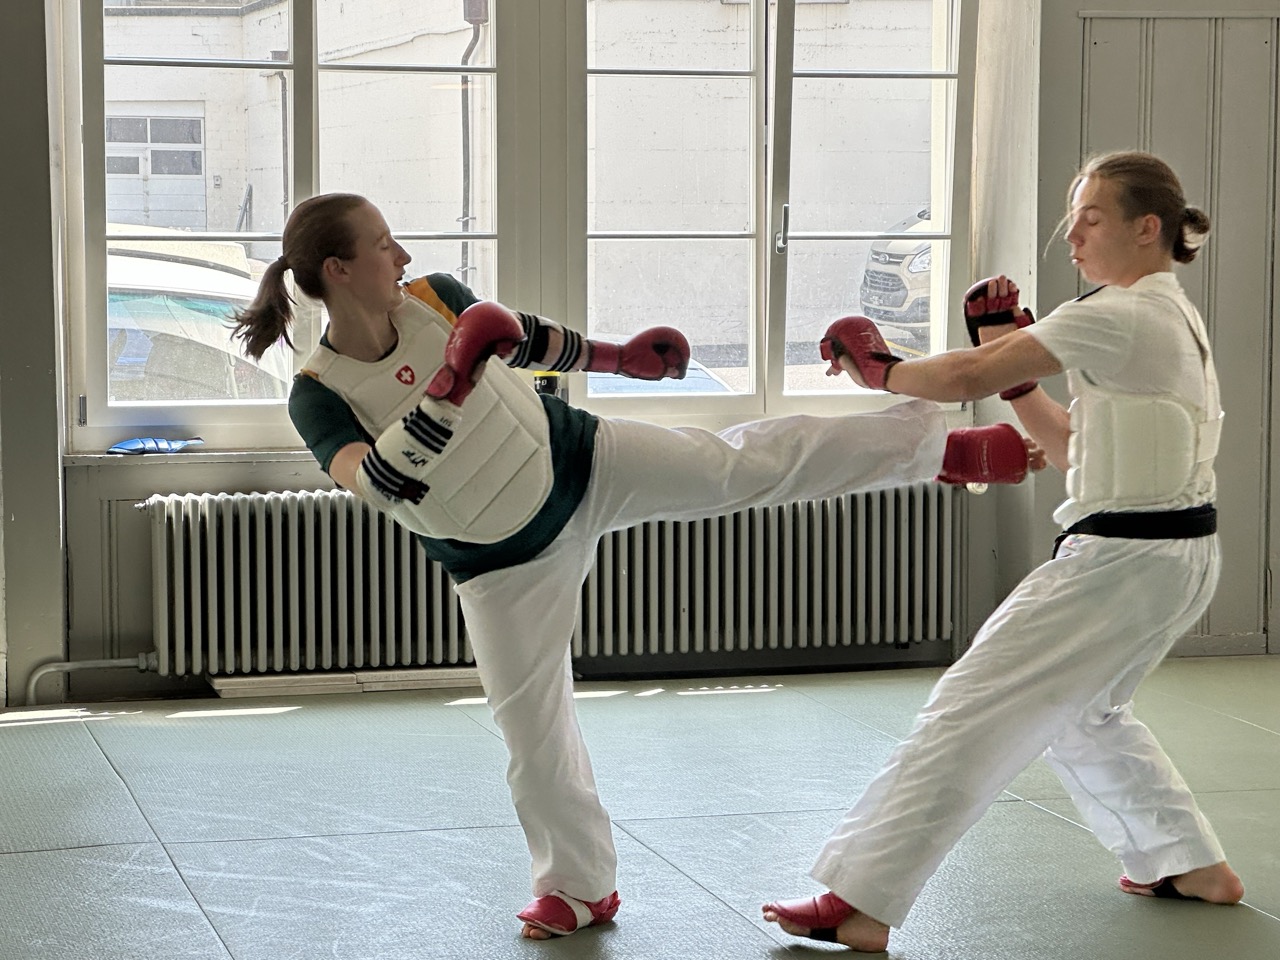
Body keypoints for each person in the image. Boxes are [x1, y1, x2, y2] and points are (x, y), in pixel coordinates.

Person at [232, 192, 1040, 940]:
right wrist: (450, 386)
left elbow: (528, 339)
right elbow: (379, 485)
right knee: (532, 730)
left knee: (738, 462)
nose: (402, 254)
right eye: (383, 245)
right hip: (499, 562)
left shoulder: (435, 298)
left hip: (583, 462)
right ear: (340, 271)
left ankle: (940, 448)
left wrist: (624, 359)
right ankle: (579, 887)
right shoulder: (319, 393)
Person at [761, 150, 1244, 952]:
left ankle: (860, 900)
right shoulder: (1165, 316)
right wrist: (1015, 375)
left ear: (1147, 228)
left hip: (1118, 565)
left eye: (1090, 219)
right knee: (1086, 714)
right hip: (1173, 558)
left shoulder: (1122, 315)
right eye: (1070, 219)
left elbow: (967, 376)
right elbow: (1069, 446)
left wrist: (881, 370)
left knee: (970, 708)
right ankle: (1187, 863)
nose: (1072, 236)